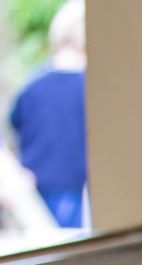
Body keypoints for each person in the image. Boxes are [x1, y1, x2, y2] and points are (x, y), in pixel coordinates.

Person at [9, 0, 86, 228]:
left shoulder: (31, 85)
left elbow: (13, 128)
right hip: (69, 192)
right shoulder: (93, 89)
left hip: (40, 193)